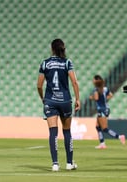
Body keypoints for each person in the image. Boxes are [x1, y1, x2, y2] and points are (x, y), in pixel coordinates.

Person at [37, 38, 80, 171]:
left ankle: (55, 164)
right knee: (67, 132)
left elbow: (39, 85)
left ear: (52, 49)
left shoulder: (45, 63)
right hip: (65, 101)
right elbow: (74, 82)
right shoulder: (67, 62)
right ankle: (69, 163)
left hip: (50, 100)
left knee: (53, 132)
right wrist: (78, 99)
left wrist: (43, 98)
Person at [89, 75, 126, 149]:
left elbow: (96, 98)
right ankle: (102, 143)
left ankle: (119, 136)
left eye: (93, 79)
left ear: (96, 81)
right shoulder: (105, 89)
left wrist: (91, 97)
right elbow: (111, 95)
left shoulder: (96, 89)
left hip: (101, 109)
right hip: (105, 108)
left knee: (104, 128)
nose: (92, 81)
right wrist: (104, 99)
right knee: (97, 127)